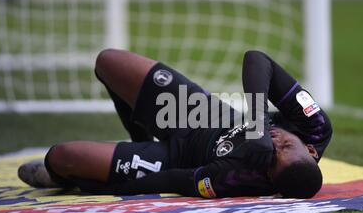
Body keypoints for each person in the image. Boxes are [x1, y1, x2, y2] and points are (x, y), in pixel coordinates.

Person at [18, 49, 332, 199]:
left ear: (271, 180)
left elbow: (176, 180)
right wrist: (258, 126)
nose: (275, 144)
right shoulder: (315, 127)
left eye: (272, 159)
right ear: (309, 148)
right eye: (286, 144)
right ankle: (136, 136)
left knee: (61, 157)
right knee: (108, 61)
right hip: (197, 111)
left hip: (173, 159)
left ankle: (113, 162)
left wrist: (112, 186)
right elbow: (257, 59)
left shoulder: (246, 178)